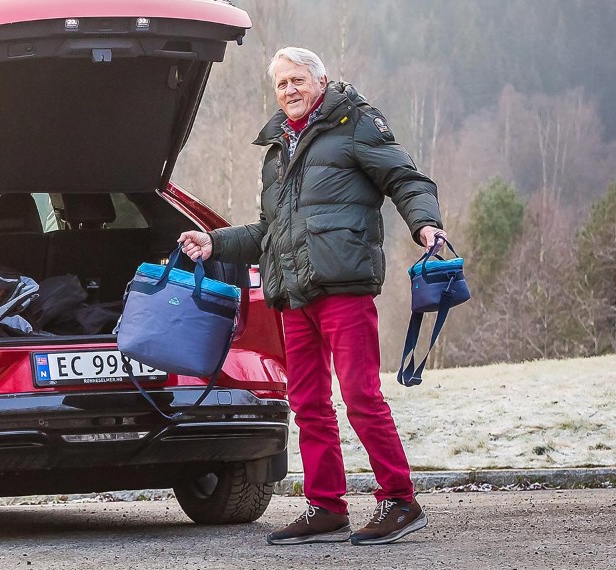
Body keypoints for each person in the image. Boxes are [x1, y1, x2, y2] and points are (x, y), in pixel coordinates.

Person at [178, 46, 444, 547]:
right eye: (281, 84)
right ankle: (326, 508)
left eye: (297, 80)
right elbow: (270, 230)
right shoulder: (277, 149)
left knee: (361, 396)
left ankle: (400, 501)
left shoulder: (356, 124)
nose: (289, 90)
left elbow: (406, 180)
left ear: (321, 81)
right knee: (308, 403)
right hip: (293, 293)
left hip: (343, 287)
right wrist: (214, 242)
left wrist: (426, 225)